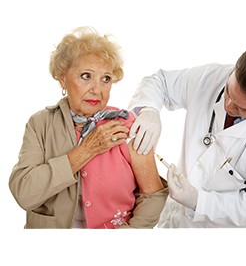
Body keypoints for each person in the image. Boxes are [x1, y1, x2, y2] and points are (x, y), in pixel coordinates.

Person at [128, 43, 246, 227]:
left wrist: (199, 202)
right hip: (172, 220)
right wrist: (149, 110)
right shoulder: (212, 78)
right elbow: (159, 82)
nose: (228, 106)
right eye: (228, 91)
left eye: (242, 108)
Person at [9, 26, 168, 229]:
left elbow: (153, 197)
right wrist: (87, 149)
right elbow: (24, 194)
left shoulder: (126, 125)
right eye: (86, 76)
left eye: (106, 79)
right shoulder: (40, 124)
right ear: (62, 78)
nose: (97, 90)